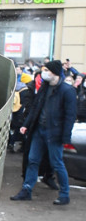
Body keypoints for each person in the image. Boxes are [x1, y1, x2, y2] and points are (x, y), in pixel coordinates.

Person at [10, 59, 76, 205]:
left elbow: (70, 116)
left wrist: (66, 136)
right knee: (32, 160)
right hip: (39, 131)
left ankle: (64, 194)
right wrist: (26, 125)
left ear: (55, 73)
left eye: (47, 70)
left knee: (57, 163)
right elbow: (35, 108)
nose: (44, 73)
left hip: (55, 133)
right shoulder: (44, 88)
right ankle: (26, 190)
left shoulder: (67, 91)